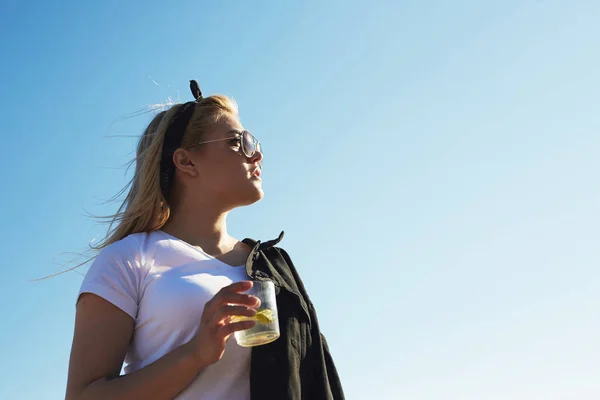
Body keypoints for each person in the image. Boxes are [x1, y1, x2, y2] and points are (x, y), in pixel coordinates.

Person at [65, 80, 345, 400]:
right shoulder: (129, 259)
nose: (257, 155)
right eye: (238, 142)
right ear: (186, 162)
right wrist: (195, 354)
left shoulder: (274, 267)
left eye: (254, 141)